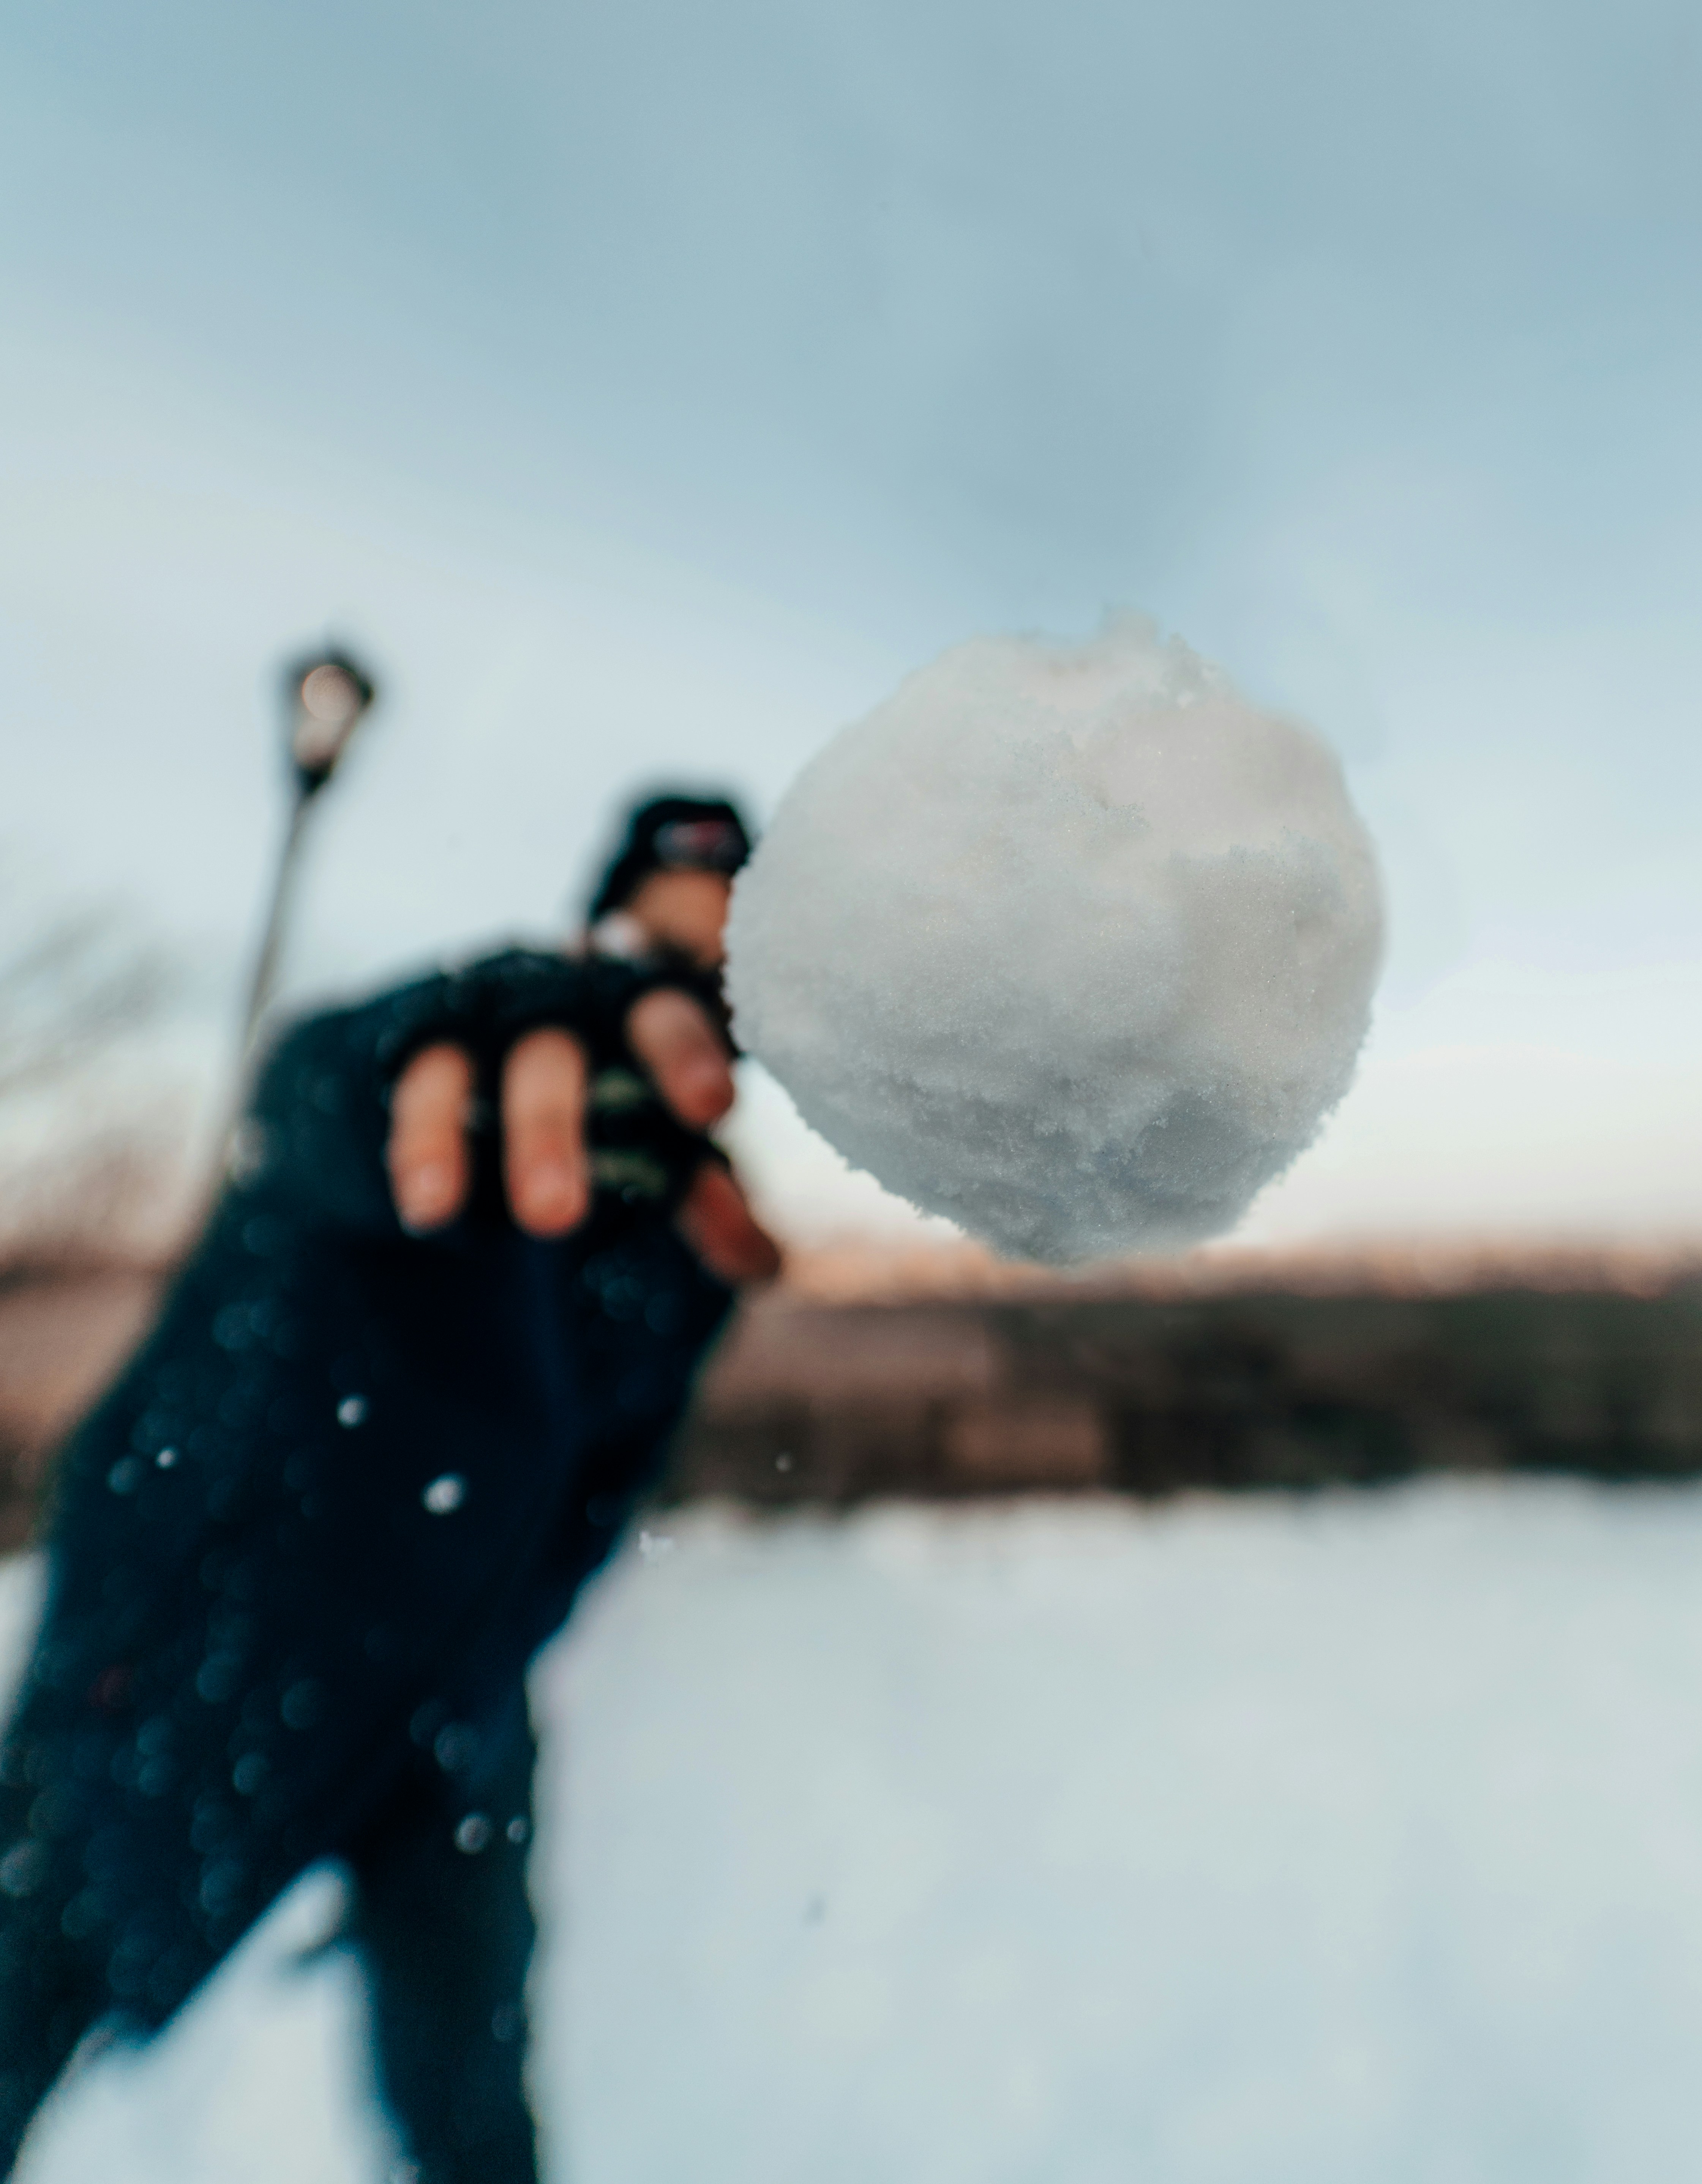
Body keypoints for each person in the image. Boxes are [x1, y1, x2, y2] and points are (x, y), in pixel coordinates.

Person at [0, 792, 772, 2182]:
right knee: (19, 2009)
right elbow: (324, 1097)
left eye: (719, 981)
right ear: (586, 946)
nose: (681, 1006)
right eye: (649, 959)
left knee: (474, 2119)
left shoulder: (687, 1247)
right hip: (188, 1668)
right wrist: (440, 1052)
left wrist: (490, 1671)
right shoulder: (441, 1082)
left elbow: (587, 1509)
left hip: (450, 1725)